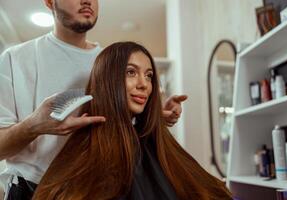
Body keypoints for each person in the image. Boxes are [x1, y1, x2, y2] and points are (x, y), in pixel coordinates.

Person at [0, 0, 187, 199]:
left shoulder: (112, 65)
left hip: (94, 190)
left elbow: (127, 127)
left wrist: (157, 113)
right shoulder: (15, 59)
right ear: (49, 2)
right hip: (31, 189)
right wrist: (34, 126)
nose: (87, 1)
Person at [32, 41, 232, 200]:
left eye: (149, 76)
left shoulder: (153, 143)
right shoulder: (86, 147)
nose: (143, 84)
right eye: (131, 72)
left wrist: (156, 117)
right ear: (108, 79)